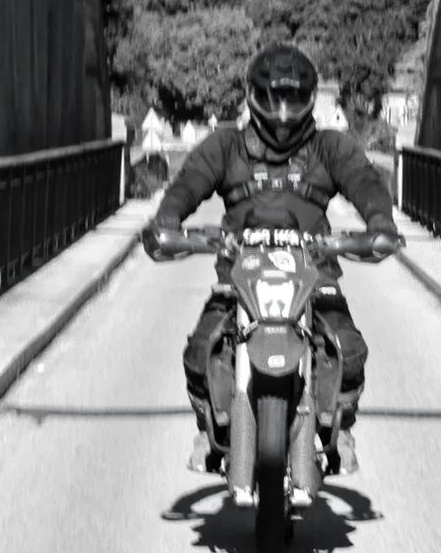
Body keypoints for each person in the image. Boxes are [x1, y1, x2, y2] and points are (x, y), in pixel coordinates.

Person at [142, 43, 400, 477]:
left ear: (311, 100)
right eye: (274, 99)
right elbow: (187, 185)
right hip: (239, 277)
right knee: (200, 351)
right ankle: (210, 430)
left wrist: (379, 222)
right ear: (252, 96)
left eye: (295, 99)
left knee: (348, 349)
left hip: (314, 278)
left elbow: (365, 182)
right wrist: (167, 221)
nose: (283, 113)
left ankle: (342, 429)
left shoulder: (330, 148)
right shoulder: (226, 147)